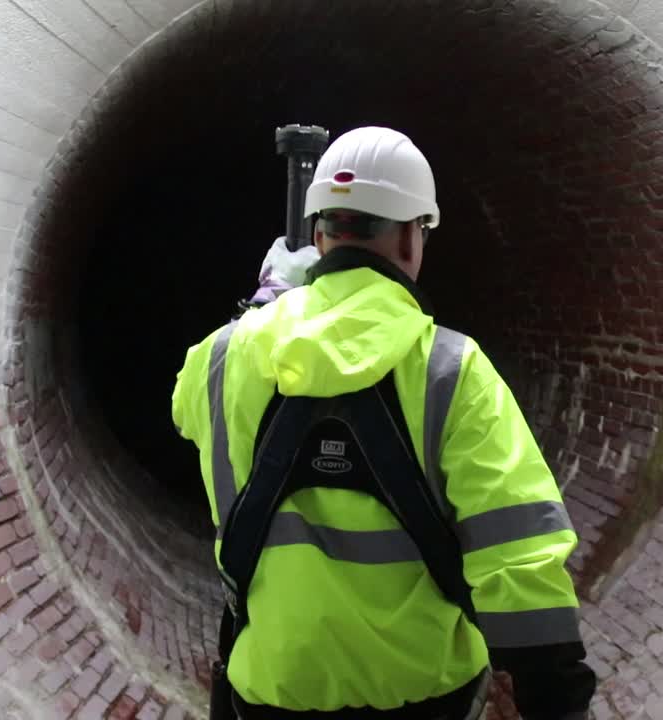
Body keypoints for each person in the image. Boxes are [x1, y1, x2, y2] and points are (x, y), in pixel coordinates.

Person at [171, 126, 596, 720]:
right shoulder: (455, 370)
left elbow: (185, 411)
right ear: (408, 235)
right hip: (428, 694)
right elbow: (516, 552)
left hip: (273, 691)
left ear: (318, 236)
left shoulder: (221, 359)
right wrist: (555, 698)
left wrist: (263, 307)